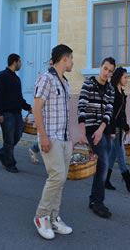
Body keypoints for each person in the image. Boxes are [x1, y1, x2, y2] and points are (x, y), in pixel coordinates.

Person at [33, 44, 74, 240]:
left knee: (61, 180)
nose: (73, 62)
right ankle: (41, 216)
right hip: (51, 137)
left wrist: (71, 138)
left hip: (65, 139)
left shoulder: (65, 83)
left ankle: (55, 218)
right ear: (64, 59)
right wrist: (43, 136)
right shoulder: (46, 79)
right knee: (57, 176)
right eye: (71, 58)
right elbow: (36, 108)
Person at [77, 57, 115, 219]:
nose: (107, 73)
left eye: (110, 71)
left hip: (102, 130)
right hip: (91, 129)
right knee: (104, 163)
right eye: (105, 69)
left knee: (102, 164)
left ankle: (94, 198)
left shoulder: (110, 89)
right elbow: (81, 107)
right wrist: (82, 132)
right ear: (100, 67)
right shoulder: (89, 84)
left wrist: (102, 129)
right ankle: (98, 202)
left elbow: (109, 112)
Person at [0, 53, 32, 173]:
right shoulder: (2, 76)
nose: (21, 64)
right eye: (20, 62)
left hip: (17, 113)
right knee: (9, 139)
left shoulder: (16, 78)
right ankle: (10, 164)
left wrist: (28, 107)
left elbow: (19, 98)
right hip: (6, 114)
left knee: (18, 135)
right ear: (15, 62)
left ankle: (2, 153)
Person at [105, 67, 130, 192]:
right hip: (115, 128)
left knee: (113, 155)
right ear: (119, 77)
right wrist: (113, 129)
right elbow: (112, 113)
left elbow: (122, 113)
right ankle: (129, 183)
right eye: (125, 77)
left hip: (120, 127)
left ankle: (105, 181)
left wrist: (126, 126)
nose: (127, 79)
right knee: (121, 155)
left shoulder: (121, 92)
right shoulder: (113, 92)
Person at [28, 59, 53, 165]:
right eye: (50, 64)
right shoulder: (44, 78)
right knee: (45, 135)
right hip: (43, 112)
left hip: (51, 114)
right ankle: (34, 148)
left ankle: (34, 149)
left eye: (53, 64)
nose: (51, 66)